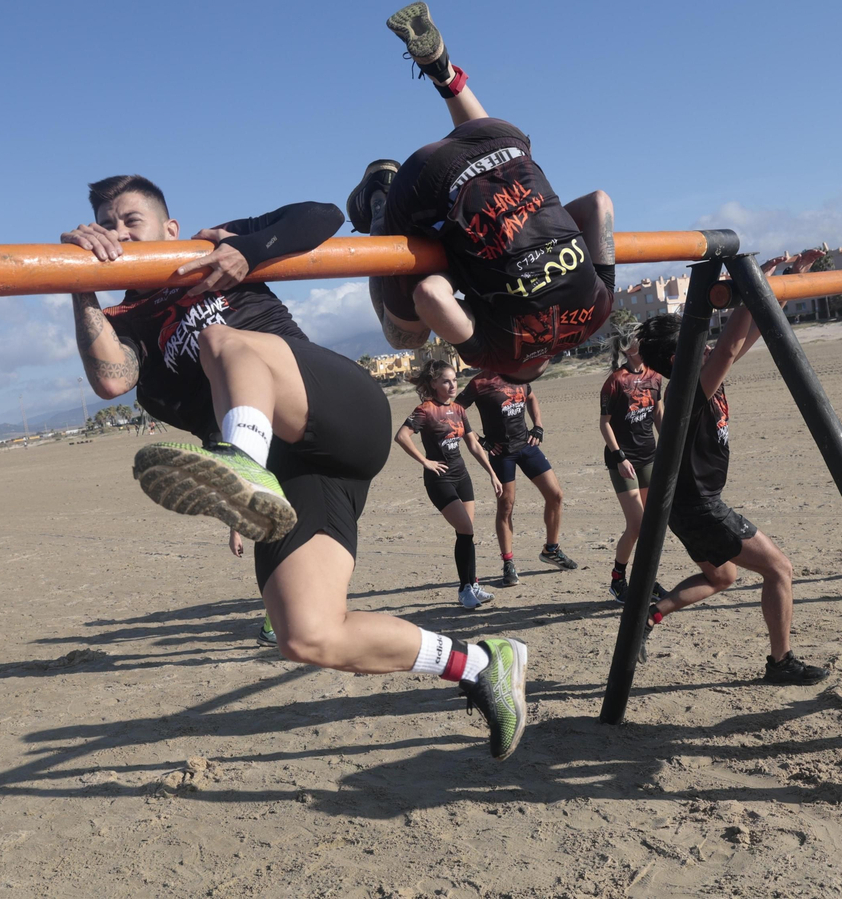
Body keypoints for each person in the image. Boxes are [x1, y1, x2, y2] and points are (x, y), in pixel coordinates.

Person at [60, 174, 529, 759]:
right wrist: (78, 282)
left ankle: (240, 465)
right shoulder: (127, 321)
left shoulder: (214, 246)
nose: (117, 232)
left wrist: (245, 251)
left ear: (168, 228)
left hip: (340, 412)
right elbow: (111, 379)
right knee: (306, 632)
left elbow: (323, 213)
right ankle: (480, 663)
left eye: (130, 219)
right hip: (299, 474)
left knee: (222, 341)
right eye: (106, 224)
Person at [350, 2, 615, 382]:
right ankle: (380, 204)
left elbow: (599, 203)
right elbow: (430, 295)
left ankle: (443, 73)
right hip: (426, 176)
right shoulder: (497, 354)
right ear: (517, 371)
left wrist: (535, 225)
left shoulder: (600, 311)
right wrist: (465, 272)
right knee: (405, 336)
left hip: (502, 137)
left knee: (508, 160)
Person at [632, 308, 830, 685]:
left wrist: (773, 290)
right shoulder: (687, 390)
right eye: (699, 343)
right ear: (680, 359)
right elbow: (726, 350)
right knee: (779, 569)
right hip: (701, 507)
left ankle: (650, 614)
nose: (710, 346)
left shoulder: (700, 376)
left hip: (687, 504)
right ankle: (781, 661)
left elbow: (739, 342)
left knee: (722, 576)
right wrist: (740, 299)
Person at [394, 361, 503, 608]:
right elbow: (401, 436)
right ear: (434, 384)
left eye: (454, 380)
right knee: (466, 529)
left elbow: (474, 444)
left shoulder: (458, 409)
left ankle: (471, 585)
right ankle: (464, 590)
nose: (452, 385)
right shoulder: (425, 410)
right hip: (439, 479)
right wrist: (425, 461)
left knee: (467, 533)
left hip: (462, 477)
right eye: (446, 381)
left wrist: (492, 474)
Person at [455, 368, 576, 586]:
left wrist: (537, 425)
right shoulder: (479, 383)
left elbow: (530, 396)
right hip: (502, 454)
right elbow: (455, 413)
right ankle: (508, 563)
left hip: (527, 446)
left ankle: (551, 550)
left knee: (556, 495)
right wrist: (482, 441)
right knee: (506, 506)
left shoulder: (519, 373)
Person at [598, 327, 665, 602]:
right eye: (638, 338)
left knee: (651, 525)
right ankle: (618, 580)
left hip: (649, 455)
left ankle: (646, 579)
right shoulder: (615, 381)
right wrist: (620, 457)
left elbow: (658, 412)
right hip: (623, 460)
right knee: (636, 525)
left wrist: (668, 447)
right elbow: (604, 425)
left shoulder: (655, 375)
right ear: (627, 348)